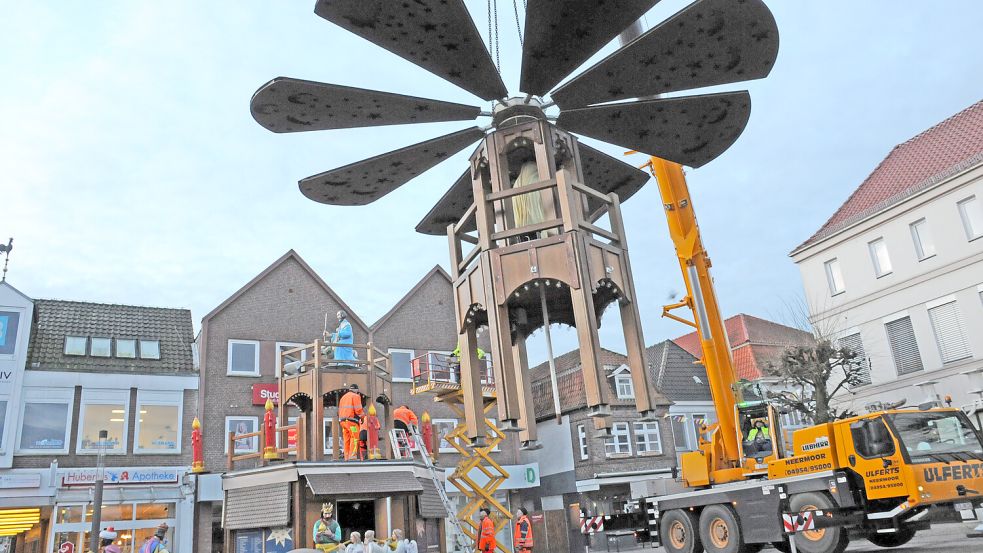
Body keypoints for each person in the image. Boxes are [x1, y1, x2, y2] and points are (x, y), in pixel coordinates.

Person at [339, 384, 365, 461]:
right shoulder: (355, 396)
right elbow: (358, 410)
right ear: (356, 390)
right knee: (355, 438)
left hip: (343, 422)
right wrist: (363, 417)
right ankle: (352, 456)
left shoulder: (343, 397)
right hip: (351, 422)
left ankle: (346, 457)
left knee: (347, 439)